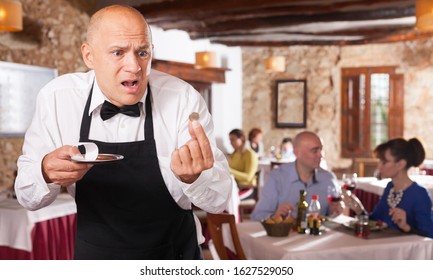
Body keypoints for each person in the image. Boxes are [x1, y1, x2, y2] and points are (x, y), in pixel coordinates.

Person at [14, 5, 232, 260]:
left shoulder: (182, 99)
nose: (135, 66)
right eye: (118, 52)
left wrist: (194, 178)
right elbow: (27, 196)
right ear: (89, 56)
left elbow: (220, 201)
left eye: (142, 52)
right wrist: (45, 172)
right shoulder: (58, 98)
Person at [251, 131, 341, 221]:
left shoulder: (329, 179)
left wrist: (335, 211)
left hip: (318, 234)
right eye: (314, 151)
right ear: (297, 152)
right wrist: (274, 216)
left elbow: (332, 217)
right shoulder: (277, 177)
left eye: (321, 150)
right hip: (286, 234)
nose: (321, 155)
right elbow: (256, 217)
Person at [358, 138, 433, 238]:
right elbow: (375, 220)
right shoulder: (390, 187)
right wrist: (358, 209)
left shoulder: (419, 194)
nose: (379, 166)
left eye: (384, 162)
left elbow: (429, 236)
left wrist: (406, 227)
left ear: (400, 164)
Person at [228, 129, 259, 200]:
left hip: (247, 188)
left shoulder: (250, 154)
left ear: (241, 138)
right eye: (230, 140)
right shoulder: (234, 154)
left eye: (233, 139)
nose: (230, 143)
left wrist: (229, 171)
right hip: (235, 187)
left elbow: (248, 177)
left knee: (229, 200)